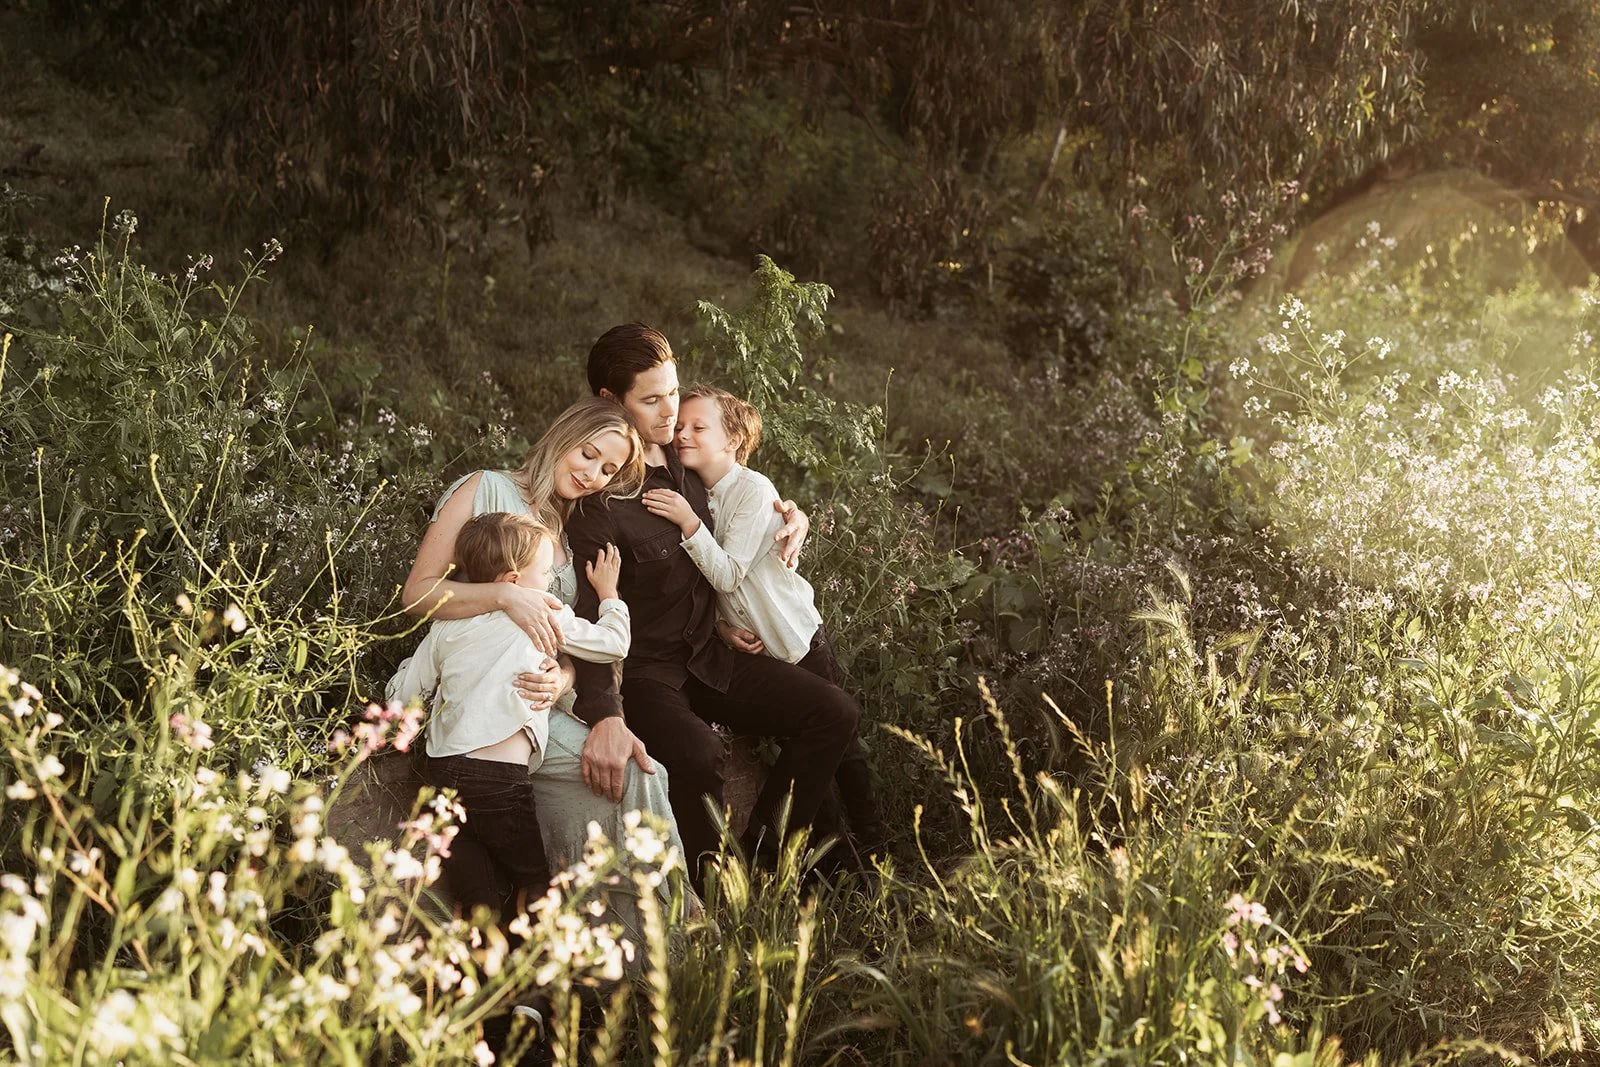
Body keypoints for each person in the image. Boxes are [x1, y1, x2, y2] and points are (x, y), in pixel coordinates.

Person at [563, 323, 861, 875]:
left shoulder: (684, 459)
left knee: (834, 712)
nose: (670, 412)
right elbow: (588, 609)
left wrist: (791, 513)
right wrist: (604, 711)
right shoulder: (597, 496)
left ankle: (768, 856)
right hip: (649, 671)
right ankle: (712, 884)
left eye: (673, 392)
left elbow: (743, 491)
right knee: (699, 754)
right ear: (611, 400)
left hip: (710, 652)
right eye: (651, 400)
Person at [399, 397, 684, 886]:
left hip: (536, 709)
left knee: (639, 772)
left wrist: (565, 677)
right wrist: (505, 597)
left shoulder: (564, 533)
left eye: (608, 470)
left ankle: (654, 937)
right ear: (564, 436)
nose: (592, 473)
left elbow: (566, 638)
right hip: (473, 699)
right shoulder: (483, 488)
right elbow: (417, 594)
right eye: (588, 454)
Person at [641, 385, 889, 857]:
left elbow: (729, 573)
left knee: (842, 747)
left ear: (733, 439)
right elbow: (700, 584)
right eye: (680, 427)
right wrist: (716, 625)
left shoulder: (751, 490)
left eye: (698, 428)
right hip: (753, 647)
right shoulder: (698, 489)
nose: (683, 435)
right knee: (807, 742)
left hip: (796, 640)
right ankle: (831, 852)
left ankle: (873, 838)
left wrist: (688, 522)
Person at [387, 511, 632, 920]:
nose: (551, 582)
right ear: (515, 582)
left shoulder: (447, 624)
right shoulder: (543, 610)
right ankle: (533, 962)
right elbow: (613, 644)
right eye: (544, 573)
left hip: (444, 771)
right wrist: (609, 595)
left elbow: (406, 694)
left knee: (472, 863)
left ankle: (479, 942)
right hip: (501, 780)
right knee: (532, 879)